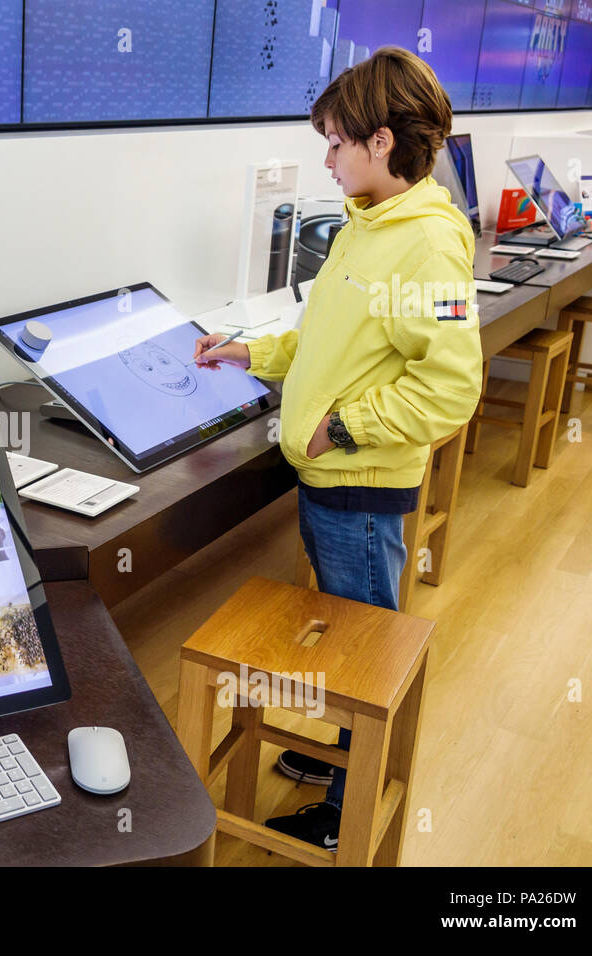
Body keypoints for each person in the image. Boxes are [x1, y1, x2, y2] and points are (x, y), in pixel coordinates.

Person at [192, 47, 482, 852]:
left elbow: (451, 389)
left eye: (335, 142)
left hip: (359, 486)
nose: (325, 159)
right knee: (349, 629)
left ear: (381, 141)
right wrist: (251, 354)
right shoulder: (369, 225)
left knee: (360, 649)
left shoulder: (426, 245)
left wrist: (344, 428)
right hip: (330, 480)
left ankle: (343, 814)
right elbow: (333, 342)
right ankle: (341, 755)